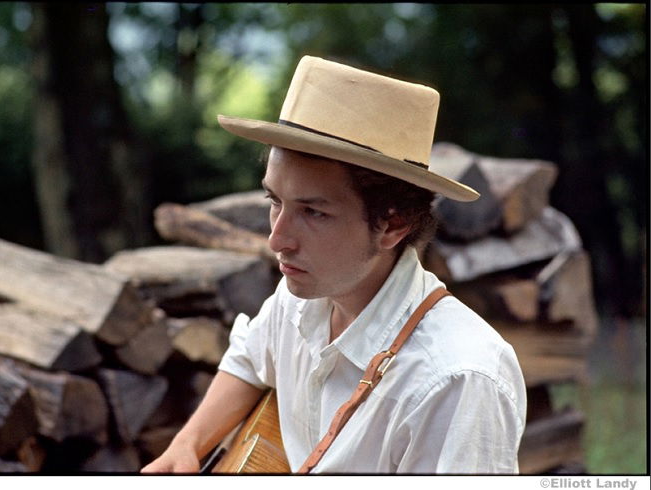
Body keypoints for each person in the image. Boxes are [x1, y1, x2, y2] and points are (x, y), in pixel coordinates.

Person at [141, 55, 527, 474]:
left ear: (392, 224)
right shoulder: (301, 298)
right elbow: (249, 360)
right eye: (274, 201)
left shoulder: (459, 380)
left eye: (313, 212)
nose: (277, 239)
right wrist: (187, 443)